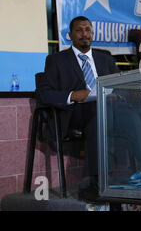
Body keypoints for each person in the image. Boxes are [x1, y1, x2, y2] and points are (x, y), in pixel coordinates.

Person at [36, 16, 120, 202]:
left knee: (137, 116)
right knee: (97, 114)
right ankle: (90, 185)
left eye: (88, 30)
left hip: (109, 110)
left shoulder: (105, 59)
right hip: (75, 114)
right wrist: (72, 95)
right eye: (79, 30)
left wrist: (116, 93)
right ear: (70, 35)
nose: (85, 34)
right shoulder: (57, 60)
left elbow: (120, 84)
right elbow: (43, 93)